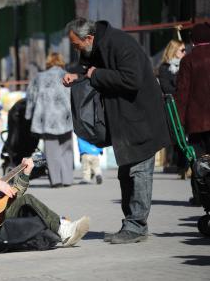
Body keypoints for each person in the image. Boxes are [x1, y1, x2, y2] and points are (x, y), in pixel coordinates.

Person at [63, 18, 170, 244]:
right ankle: (131, 224)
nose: (76, 49)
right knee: (126, 173)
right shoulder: (98, 46)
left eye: (76, 44)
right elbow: (90, 69)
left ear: (89, 38)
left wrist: (95, 75)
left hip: (142, 120)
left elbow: (131, 79)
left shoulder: (120, 44)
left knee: (138, 172)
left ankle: (136, 226)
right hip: (126, 121)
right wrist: (79, 76)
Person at [25, 52, 74, 188]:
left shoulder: (39, 77)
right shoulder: (68, 75)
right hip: (66, 116)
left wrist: (28, 115)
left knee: (52, 150)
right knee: (67, 148)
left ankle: (56, 180)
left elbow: (30, 96)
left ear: (48, 62)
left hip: (47, 118)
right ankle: (67, 179)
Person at [175, 23, 210, 158]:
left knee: (200, 166)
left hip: (197, 123)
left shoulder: (188, 61)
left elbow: (182, 94)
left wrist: (179, 123)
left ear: (193, 40)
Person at [158, 39, 188, 178]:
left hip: (185, 105)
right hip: (172, 106)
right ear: (174, 51)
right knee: (176, 136)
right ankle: (179, 165)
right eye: (182, 50)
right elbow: (166, 87)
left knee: (187, 135)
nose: (185, 52)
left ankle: (187, 165)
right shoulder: (165, 68)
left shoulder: (187, 65)